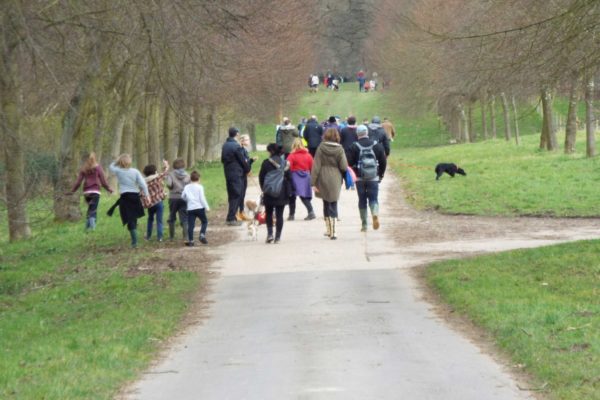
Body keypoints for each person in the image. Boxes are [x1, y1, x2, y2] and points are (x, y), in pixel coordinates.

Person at [346, 125, 387, 232]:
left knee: (362, 200)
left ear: (357, 134)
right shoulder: (376, 145)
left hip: (359, 178)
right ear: (367, 133)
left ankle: (364, 225)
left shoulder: (354, 146)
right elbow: (383, 161)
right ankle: (374, 213)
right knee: (373, 199)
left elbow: (348, 163)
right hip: (373, 177)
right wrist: (381, 175)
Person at [311, 128, 348, 240]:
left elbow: (316, 166)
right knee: (333, 202)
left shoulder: (321, 148)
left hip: (322, 176)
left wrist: (312, 182)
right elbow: (344, 166)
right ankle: (334, 231)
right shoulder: (340, 149)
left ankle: (328, 229)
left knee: (326, 202)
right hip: (335, 177)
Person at [109, 154, 149, 248]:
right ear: (130, 162)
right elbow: (143, 184)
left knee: (129, 219)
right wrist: (147, 195)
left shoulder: (118, 171)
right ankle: (134, 237)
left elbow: (111, 166)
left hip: (125, 197)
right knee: (132, 218)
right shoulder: (135, 171)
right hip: (135, 196)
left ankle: (134, 242)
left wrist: (117, 160)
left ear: (120, 163)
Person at [69, 152, 113, 231]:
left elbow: (78, 182)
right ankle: (92, 228)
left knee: (90, 209)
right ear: (94, 159)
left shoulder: (83, 169)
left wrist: (72, 191)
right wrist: (109, 189)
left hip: (86, 193)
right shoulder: (98, 167)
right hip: (95, 192)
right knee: (93, 209)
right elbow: (103, 181)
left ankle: (87, 227)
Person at [259, 143, 292, 244]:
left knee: (268, 213)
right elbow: (289, 178)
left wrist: (264, 189)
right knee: (279, 215)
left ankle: (270, 234)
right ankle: (277, 237)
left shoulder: (266, 163)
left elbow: (261, 178)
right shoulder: (285, 163)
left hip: (269, 191)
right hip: (281, 191)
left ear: (270, 151)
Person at [221, 127, 250, 226]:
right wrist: (247, 169)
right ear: (237, 134)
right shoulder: (236, 146)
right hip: (236, 174)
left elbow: (223, 160)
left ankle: (231, 217)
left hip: (228, 173)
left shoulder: (225, 145)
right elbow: (242, 160)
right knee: (236, 194)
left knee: (232, 194)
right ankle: (231, 218)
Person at [286, 139, 316, 221]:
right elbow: (312, 167)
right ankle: (311, 211)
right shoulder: (308, 155)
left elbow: (288, 167)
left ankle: (291, 215)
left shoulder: (291, 156)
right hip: (306, 176)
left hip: (295, 176)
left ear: (293, 145)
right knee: (304, 196)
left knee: (292, 196)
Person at [142, 160, 169, 242]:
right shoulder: (157, 178)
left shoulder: (144, 182)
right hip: (159, 202)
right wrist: (166, 165)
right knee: (159, 220)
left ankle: (148, 237)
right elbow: (165, 173)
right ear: (155, 171)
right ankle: (159, 237)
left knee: (150, 219)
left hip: (150, 204)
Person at [181, 170, 210, 246]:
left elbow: (182, 196)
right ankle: (202, 235)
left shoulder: (187, 187)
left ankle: (191, 241)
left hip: (191, 209)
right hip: (199, 208)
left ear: (190, 179)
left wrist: (188, 200)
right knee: (204, 222)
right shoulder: (200, 187)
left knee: (191, 225)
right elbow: (202, 198)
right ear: (199, 179)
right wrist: (207, 207)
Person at [165, 158, 190, 240]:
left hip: (173, 198)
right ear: (184, 165)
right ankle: (186, 237)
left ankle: (171, 237)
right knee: (184, 217)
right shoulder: (187, 175)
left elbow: (169, 184)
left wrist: (170, 187)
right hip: (184, 198)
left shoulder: (171, 174)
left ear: (174, 166)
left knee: (172, 216)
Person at [238, 134, 257, 221]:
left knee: (243, 194)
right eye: (247, 140)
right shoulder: (240, 151)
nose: (248, 141)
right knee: (240, 194)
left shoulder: (244, 150)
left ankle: (242, 212)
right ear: (242, 141)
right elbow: (243, 163)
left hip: (245, 174)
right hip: (241, 174)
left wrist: (251, 160)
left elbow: (246, 162)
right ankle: (240, 212)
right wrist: (247, 168)